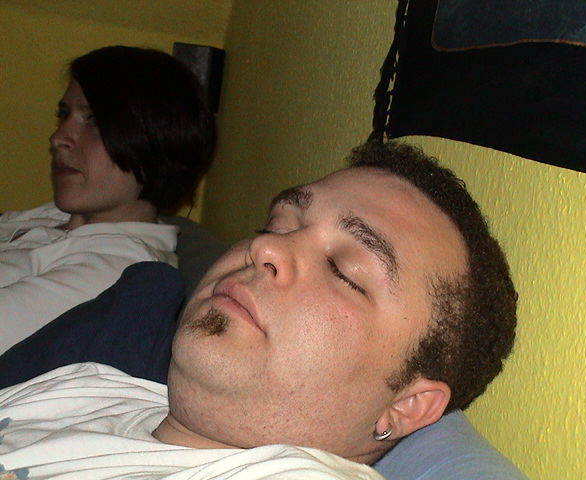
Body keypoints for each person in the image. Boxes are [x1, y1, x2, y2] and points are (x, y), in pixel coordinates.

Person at [0, 141, 517, 479]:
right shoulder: (85, 385)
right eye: (277, 225)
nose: (265, 248)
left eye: (344, 271)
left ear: (404, 407)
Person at [0, 45, 215, 353]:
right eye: (64, 115)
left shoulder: (116, 272)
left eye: (94, 120)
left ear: (155, 139)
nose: (58, 137)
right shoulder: (65, 215)